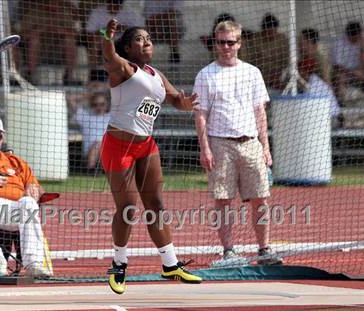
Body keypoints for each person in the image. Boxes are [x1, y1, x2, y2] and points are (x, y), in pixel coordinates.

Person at [100, 19, 202, 294]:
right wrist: (107, 37)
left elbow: (175, 100)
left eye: (148, 38)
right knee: (128, 208)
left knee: (155, 204)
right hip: (118, 146)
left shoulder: (156, 75)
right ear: (127, 48)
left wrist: (184, 103)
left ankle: (170, 265)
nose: (146, 42)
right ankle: (119, 264)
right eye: (139, 39)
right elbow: (108, 55)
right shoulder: (124, 69)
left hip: (145, 146)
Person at [193, 21, 283, 268]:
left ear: (239, 44)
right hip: (220, 143)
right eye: (220, 42)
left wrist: (265, 146)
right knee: (222, 200)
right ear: (215, 43)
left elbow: (260, 111)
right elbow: (200, 114)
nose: (225, 47)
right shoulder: (205, 75)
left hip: (250, 141)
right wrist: (205, 148)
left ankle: (264, 249)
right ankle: (229, 251)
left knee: (261, 198)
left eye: (230, 42)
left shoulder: (252, 72)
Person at [0, 116, 51, 277]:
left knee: (28, 203)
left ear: (2, 139)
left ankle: (34, 263)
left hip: (10, 212)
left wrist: (34, 188)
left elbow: (37, 186)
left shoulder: (16, 162)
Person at [16, 0, 81, 85]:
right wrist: (41, 29)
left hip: (58, 51)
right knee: (34, 40)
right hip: (38, 51)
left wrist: (60, 30)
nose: (54, 3)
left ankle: (68, 77)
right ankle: (31, 76)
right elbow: (22, 35)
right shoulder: (35, 12)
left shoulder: (64, 13)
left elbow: (75, 34)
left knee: (70, 41)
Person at [86, 0, 144, 81]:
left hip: (124, 43)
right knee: (95, 43)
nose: (114, 6)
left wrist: (124, 28)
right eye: (111, 4)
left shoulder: (130, 13)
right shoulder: (97, 12)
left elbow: (141, 31)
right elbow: (89, 33)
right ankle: (93, 74)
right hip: (103, 43)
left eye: (117, 4)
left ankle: (136, 74)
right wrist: (107, 30)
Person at [244, 13, 289, 93]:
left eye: (274, 31)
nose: (272, 35)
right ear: (264, 30)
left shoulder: (282, 39)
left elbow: (286, 60)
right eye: (269, 32)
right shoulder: (254, 40)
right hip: (259, 76)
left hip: (278, 76)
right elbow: (249, 61)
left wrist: (278, 73)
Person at [73, 92, 111, 170]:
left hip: (108, 152)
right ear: (91, 105)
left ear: (106, 104)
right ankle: (91, 168)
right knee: (97, 144)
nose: (99, 107)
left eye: (102, 104)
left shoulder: (111, 117)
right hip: (89, 153)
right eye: (95, 104)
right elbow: (70, 99)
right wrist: (87, 96)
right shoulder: (85, 117)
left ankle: (93, 170)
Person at [330, 21, 364, 102]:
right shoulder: (339, 44)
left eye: (358, 36)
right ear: (348, 35)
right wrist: (352, 72)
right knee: (340, 77)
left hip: (359, 70)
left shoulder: (362, 39)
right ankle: (341, 101)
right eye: (353, 38)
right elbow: (337, 66)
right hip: (343, 72)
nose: (356, 39)